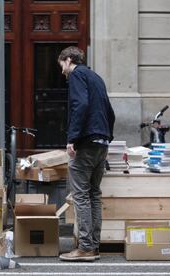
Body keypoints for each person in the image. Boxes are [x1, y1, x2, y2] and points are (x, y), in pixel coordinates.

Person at [57, 46, 115, 261]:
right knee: (94, 195)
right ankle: (94, 245)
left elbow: (79, 104)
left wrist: (72, 138)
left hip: (87, 141)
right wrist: (107, 136)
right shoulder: (95, 76)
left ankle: (85, 248)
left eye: (62, 65)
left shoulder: (77, 75)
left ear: (69, 60)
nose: (62, 70)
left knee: (81, 195)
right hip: (101, 142)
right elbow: (109, 110)